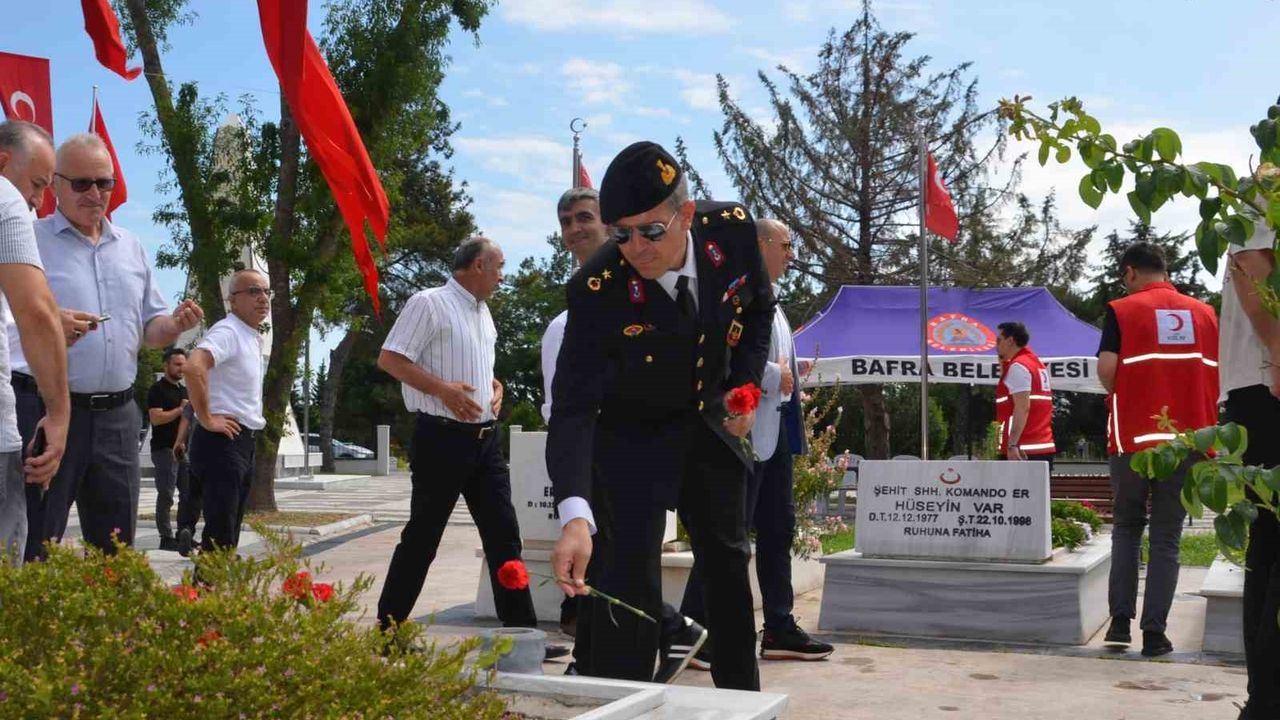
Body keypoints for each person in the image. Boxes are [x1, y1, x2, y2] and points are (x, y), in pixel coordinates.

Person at [548, 141, 774, 691]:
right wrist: (574, 513)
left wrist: (744, 385)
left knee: (728, 566)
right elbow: (573, 407)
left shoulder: (732, 233)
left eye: (650, 231)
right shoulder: (596, 289)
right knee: (628, 578)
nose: (636, 248)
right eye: (621, 234)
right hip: (632, 436)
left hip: (708, 425)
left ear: (687, 215)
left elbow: (759, 308)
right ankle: (627, 697)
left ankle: (742, 701)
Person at [540, 186, 706, 682]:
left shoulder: (658, 294)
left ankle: (649, 641)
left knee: (621, 566)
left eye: (585, 217)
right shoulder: (570, 313)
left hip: (633, 459)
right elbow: (564, 407)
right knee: (607, 568)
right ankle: (605, 658)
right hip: (582, 460)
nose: (575, 228)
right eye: (566, 220)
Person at [13, 133, 202, 560]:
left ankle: (112, 609)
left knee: (116, 548)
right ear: (56, 183)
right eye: (82, 183)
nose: (94, 193)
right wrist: (52, 324)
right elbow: (11, 319)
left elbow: (151, 329)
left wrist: (174, 324)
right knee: (36, 542)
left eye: (104, 183)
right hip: (50, 411)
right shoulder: (28, 240)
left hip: (118, 416)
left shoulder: (131, 247)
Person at [376, 237, 566, 657]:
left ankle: (522, 637)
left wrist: (495, 388)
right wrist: (442, 390)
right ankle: (389, 633)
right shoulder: (429, 303)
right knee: (422, 539)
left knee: (505, 537)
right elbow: (390, 359)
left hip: (486, 441)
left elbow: (482, 368)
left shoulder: (484, 313)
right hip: (441, 439)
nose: (503, 276)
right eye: (500, 267)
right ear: (479, 265)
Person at [677, 218, 832, 671]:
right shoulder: (735, 295)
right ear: (761, 244)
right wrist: (771, 375)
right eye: (786, 244)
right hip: (740, 432)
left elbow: (771, 356)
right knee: (726, 536)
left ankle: (779, 626)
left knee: (778, 531)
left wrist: (790, 374)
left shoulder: (773, 302)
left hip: (775, 430)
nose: (791, 254)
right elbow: (721, 357)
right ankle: (695, 630)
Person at [1096, 242, 1218, 657]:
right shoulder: (1205, 314)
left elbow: (1107, 369)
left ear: (1130, 272)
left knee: (1127, 528)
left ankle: (1119, 623)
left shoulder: (1121, 310)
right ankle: (1155, 634)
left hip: (1133, 439)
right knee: (1167, 537)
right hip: (1187, 441)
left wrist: (1125, 395)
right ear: (1164, 270)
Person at [1217, 219, 1280, 719]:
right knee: (1272, 544)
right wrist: (1278, 352)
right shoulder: (1265, 191)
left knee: (1270, 543)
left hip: (1261, 385)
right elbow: (1252, 263)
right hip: (1267, 385)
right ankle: (1267, 700)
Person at [0, 120, 69, 565]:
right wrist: (59, 414)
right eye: (38, 184)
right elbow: (37, 315)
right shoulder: (5, 197)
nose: (38, 201)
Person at [184, 270, 267, 553]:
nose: (263, 298)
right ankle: (206, 583)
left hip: (241, 441)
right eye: (254, 291)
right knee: (220, 537)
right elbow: (193, 367)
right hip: (222, 442)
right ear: (233, 300)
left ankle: (212, 581)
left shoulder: (249, 335)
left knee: (227, 535)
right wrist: (206, 418)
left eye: (266, 291)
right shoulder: (229, 331)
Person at [994, 321, 1056, 467]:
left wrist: (1012, 444)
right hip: (1040, 444)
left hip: (1022, 449)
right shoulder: (1034, 363)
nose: (996, 345)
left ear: (1010, 341)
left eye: (999, 340)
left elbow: (1022, 407)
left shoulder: (1018, 366)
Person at [147, 348, 189, 551]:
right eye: (177, 364)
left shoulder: (184, 391)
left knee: (188, 493)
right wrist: (180, 409)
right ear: (166, 365)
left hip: (182, 449)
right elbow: (156, 418)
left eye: (184, 364)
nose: (182, 368)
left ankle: (184, 534)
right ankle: (165, 537)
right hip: (163, 449)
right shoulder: (157, 390)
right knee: (166, 494)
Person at [172, 401, 201, 557]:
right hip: (222, 452)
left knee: (192, 496)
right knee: (216, 500)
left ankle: (186, 529)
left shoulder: (198, 392)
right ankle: (215, 545)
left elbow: (186, 416)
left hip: (195, 452)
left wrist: (179, 441)